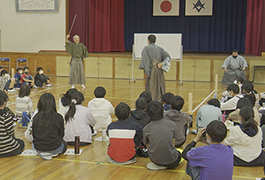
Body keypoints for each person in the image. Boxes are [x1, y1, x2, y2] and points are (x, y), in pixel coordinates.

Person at [143, 101, 181, 170]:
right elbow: (173, 144)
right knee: (179, 153)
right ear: (163, 112)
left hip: (155, 160)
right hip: (172, 161)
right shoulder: (172, 125)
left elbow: (148, 147)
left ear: (148, 114)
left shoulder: (146, 129)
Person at [32, 93, 66, 160]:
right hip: (55, 148)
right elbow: (61, 134)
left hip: (38, 148)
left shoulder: (36, 117)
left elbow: (34, 134)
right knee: (64, 144)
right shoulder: (58, 117)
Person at [139, 35, 171, 102]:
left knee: (151, 88)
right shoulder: (160, 49)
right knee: (159, 87)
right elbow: (168, 57)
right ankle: (160, 102)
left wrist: (148, 74)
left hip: (152, 71)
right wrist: (162, 63)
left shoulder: (146, 48)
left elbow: (146, 62)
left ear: (148, 41)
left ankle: (152, 103)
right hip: (159, 71)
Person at [0, 91, 25, 157]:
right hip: (5, 147)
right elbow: (10, 133)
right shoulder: (6, 115)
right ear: (4, 103)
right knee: (21, 143)